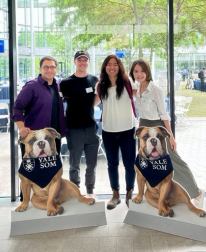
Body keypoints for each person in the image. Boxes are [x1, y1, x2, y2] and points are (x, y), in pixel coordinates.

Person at [130, 59, 205, 208]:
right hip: (143, 127)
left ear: (147, 72)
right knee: (146, 163)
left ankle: (196, 193)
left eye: (142, 71)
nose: (139, 74)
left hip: (158, 128)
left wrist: (170, 136)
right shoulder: (136, 88)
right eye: (136, 71)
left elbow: (164, 115)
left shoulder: (156, 90)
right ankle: (149, 194)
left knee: (174, 162)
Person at [11, 56, 67, 201]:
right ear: (40, 69)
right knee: (30, 171)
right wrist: (21, 127)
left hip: (51, 138)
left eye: (52, 67)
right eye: (46, 67)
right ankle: (26, 201)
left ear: (56, 69)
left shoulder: (57, 85)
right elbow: (17, 107)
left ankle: (48, 198)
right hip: (33, 139)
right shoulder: (32, 86)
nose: (49, 70)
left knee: (51, 169)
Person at [96, 54, 137, 210]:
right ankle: (115, 194)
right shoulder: (100, 85)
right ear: (104, 67)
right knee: (112, 164)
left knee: (129, 164)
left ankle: (129, 194)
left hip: (128, 129)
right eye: (108, 64)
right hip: (109, 130)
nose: (112, 67)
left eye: (115, 64)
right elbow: (93, 102)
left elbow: (139, 94)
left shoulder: (128, 82)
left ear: (119, 66)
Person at [60, 50, 99, 198]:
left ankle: (90, 190)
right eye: (79, 60)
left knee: (91, 165)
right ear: (75, 61)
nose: (82, 63)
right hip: (74, 129)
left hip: (90, 127)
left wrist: (89, 107)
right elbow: (59, 101)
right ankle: (75, 191)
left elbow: (98, 97)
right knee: (74, 164)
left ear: (88, 62)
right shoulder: (65, 83)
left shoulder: (94, 80)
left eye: (85, 60)